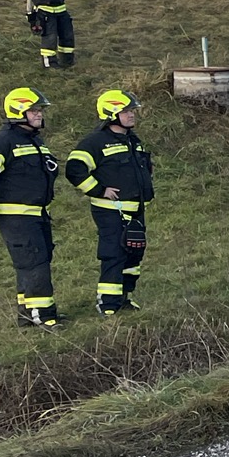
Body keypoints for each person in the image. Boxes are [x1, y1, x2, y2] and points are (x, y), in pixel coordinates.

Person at [0, 88, 61, 327]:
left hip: (37, 213)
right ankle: (44, 316)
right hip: (16, 216)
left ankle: (26, 313)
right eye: (34, 110)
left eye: (39, 110)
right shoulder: (2, 142)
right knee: (35, 262)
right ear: (18, 111)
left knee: (31, 262)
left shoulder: (34, 141)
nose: (39, 114)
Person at [68, 89, 156, 314]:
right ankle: (108, 304)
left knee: (134, 255)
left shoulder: (132, 140)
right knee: (114, 255)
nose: (131, 115)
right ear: (111, 114)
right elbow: (74, 169)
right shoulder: (95, 142)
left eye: (132, 111)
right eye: (126, 111)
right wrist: (98, 190)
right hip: (111, 212)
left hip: (136, 210)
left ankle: (125, 298)